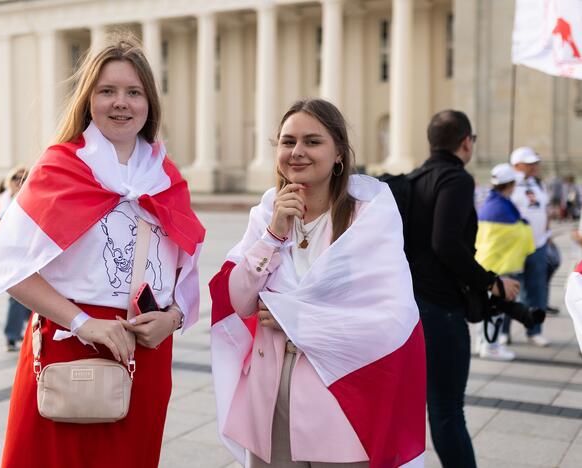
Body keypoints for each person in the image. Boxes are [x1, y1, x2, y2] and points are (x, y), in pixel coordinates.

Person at [0, 32, 205, 468]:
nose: (122, 102)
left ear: (149, 102)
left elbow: (181, 274)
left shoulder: (166, 176)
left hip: (144, 352)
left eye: (133, 92)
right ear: (89, 100)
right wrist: (85, 323)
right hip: (70, 345)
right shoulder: (60, 167)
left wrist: (172, 320)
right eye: (108, 91)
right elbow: (11, 269)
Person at [210, 99, 426, 468]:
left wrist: (294, 318)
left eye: (312, 141)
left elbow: (390, 316)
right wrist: (273, 236)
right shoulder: (267, 212)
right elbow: (238, 301)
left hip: (341, 394)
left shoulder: (367, 219)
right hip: (269, 392)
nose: (297, 152)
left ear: (338, 153)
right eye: (287, 141)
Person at [406, 110, 519, 467]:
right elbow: (446, 244)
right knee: (448, 411)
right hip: (441, 309)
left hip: (410, 306)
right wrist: (492, 282)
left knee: (433, 407)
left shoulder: (412, 179)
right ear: (466, 141)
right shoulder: (456, 179)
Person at [474, 163, 535, 361]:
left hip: (487, 262)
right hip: (499, 265)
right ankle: (491, 346)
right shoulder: (501, 207)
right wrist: (525, 227)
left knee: (488, 306)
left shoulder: (490, 203)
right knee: (495, 308)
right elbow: (521, 235)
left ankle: (483, 342)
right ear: (510, 185)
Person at [500, 147, 551, 347]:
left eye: (535, 163)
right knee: (509, 289)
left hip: (538, 244)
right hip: (515, 247)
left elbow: (544, 208)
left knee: (537, 290)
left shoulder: (538, 183)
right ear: (517, 165)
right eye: (529, 163)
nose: (534, 166)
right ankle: (503, 330)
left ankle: (534, 329)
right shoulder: (510, 184)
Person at [0, 166, 31, 351]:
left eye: (24, 177)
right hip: (12, 256)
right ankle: (12, 335)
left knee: (26, 298)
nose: (20, 180)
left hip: (29, 255)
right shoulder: (5, 200)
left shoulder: (32, 197)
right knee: (17, 297)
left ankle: (21, 333)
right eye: (17, 178)